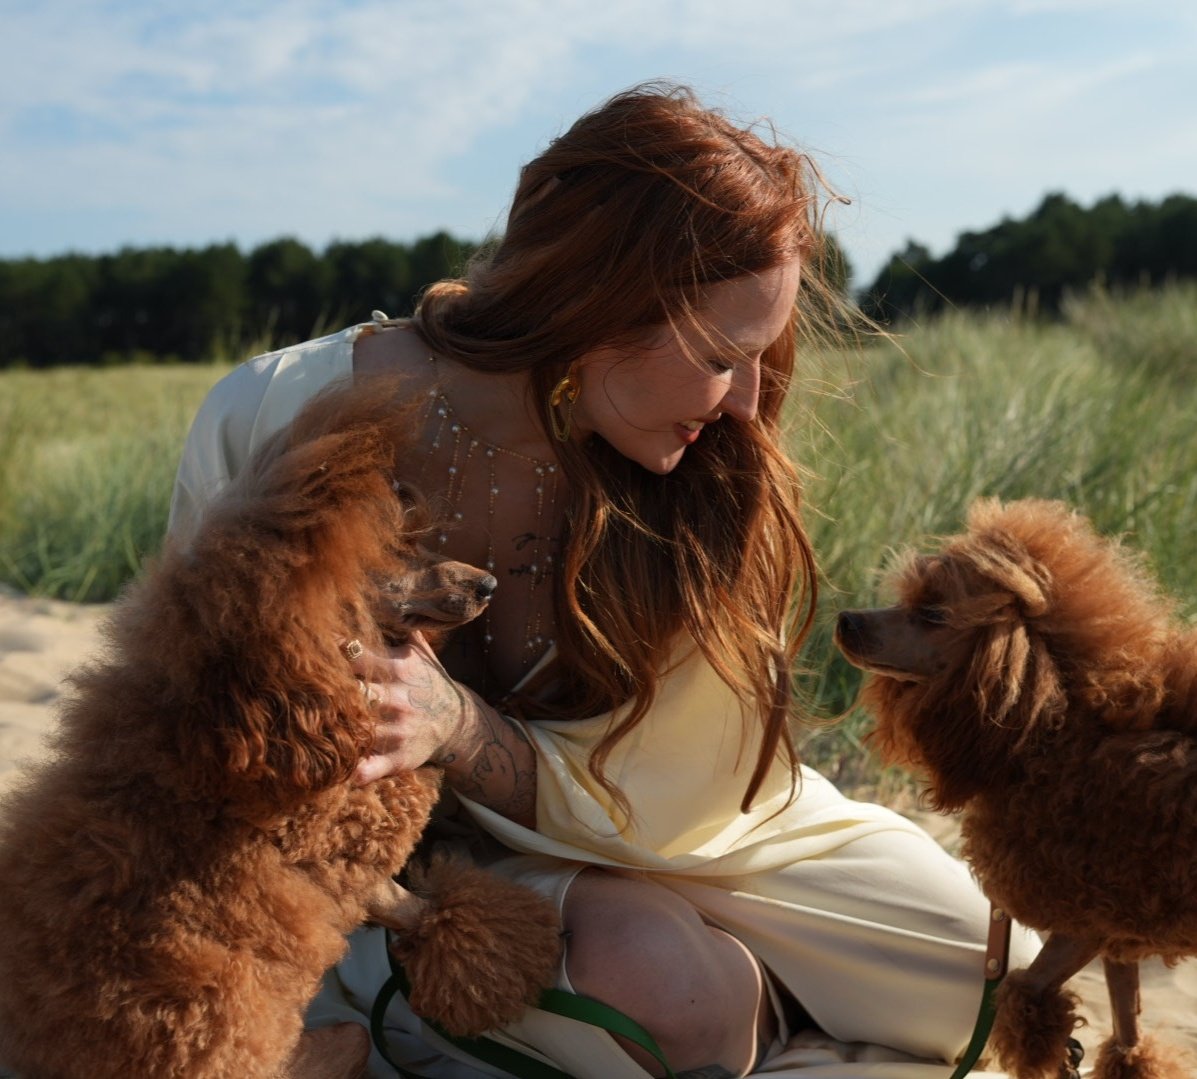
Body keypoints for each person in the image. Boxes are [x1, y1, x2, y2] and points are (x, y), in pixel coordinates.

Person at [169, 82, 1039, 1079]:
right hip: (395, 866)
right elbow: (187, 721)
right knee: (675, 996)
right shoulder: (271, 415)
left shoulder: (703, 470)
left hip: (687, 827)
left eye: (760, 357)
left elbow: (689, 790)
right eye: (721, 355)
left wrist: (458, 727)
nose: (751, 404)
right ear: (598, 303)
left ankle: (736, 998)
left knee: (993, 970)